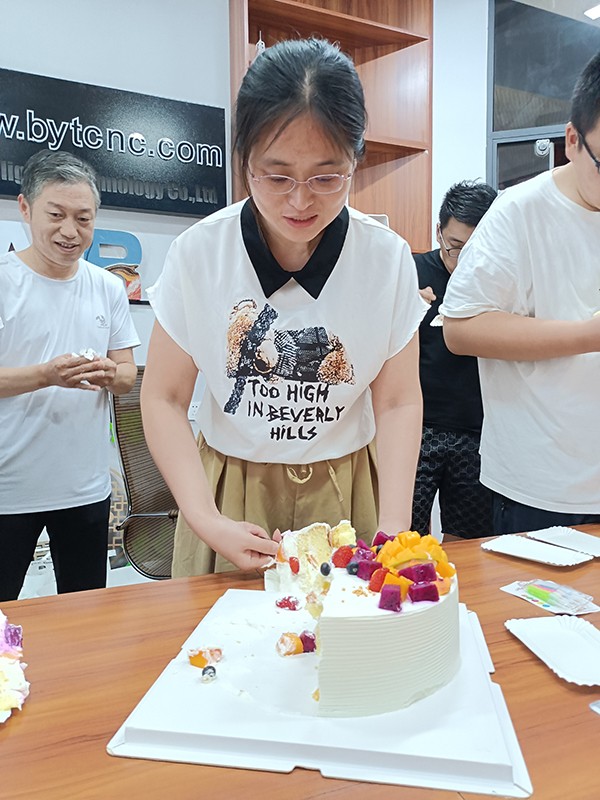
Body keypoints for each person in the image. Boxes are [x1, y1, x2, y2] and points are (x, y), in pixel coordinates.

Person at [141, 37, 426, 575]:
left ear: (355, 160)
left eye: (327, 176)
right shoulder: (200, 253)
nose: (300, 200)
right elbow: (163, 397)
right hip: (231, 487)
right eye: (276, 176)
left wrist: (394, 526)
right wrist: (204, 517)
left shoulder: (384, 258)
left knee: (348, 624)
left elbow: (397, 403)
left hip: (347, 486)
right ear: (244, 160)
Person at [441, 50, 600, 535]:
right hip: (542, 488)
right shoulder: (519, 212)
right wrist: (589, 335)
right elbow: (460, 328)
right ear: (572, 141)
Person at [0, 150, 139, 601]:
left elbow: (127, 374)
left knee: (85, 613)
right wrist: (45, 375)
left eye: (83, 219)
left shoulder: (108, 286)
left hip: (85, 490)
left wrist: (110, 373)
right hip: (8, 490)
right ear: (25, 208)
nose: (70, 231)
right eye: (56, 215)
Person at [411, 180, 497, 540]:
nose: (463, 261)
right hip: (417, 430)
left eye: (475, 250)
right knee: (404, 535)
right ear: (439, 232)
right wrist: (406, 308)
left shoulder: (499, 284)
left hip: (478, 431)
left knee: (470, 540)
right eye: (455, 247)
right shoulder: (411, 272)